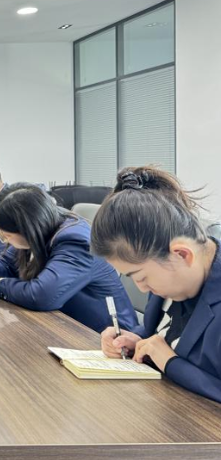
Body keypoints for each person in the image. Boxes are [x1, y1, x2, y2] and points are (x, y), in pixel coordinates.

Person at [92, 167, 221, 403]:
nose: (141, 288)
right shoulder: (172, 276)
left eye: (141, 277)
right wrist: (136, 341)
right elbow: (167, 330)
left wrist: (171, 362)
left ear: (181, 254)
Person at [0, 184, 137, 333]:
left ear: (27, 228)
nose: (5, 240)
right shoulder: (41, 227)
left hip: (104, 338)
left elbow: (42, 295)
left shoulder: (75, 241)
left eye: (7, 236)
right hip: (60, 324)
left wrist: (0, 285)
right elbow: (5, 261)